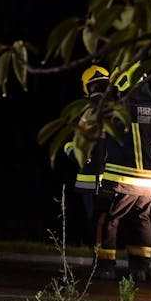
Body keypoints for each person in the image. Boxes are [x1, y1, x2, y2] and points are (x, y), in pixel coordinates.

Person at [89, 64, 151, 282]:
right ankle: (140, 268)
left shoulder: (118, 109)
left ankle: (105, 267)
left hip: (120, 179)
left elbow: (102, 140)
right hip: (149, 184)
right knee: (141, 221)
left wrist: (99, 170)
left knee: (107, 220)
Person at [67, 65, 110, 242]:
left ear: (87, 86)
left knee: (93, 219)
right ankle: (106, 258)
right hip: (114, 176)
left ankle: (97, 257)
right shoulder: (118, 108)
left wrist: (77, 156)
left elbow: (70, 142)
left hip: (88, 176)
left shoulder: (80, 109)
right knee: (109, 220)